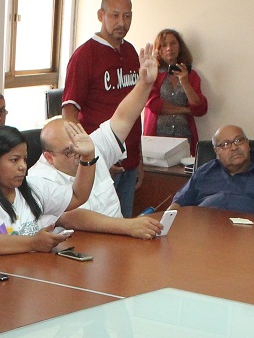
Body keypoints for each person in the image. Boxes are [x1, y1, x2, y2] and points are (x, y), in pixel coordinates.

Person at [29, 43, 163, 238]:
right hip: (78, 256)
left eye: (78, 142)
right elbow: (68, 215)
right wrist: (126, 226)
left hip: (119, 248)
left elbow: (123, 118)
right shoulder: (38, 179)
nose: (79, 153)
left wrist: (144, 84)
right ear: (49, 157)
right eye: (69, 151)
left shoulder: (89, 146)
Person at [62, 0, 143, 218]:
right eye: (115, 15)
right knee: (100, 235)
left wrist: (140, 159)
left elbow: (136, 111)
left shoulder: (130, 52)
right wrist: (88, 159)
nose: (122, 22)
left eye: (127, 16)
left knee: (125, 231)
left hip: (129, 164)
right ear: (101, 15)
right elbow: (69, 113)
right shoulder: (85, 55)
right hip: (99, 163)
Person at [169, 78, 254, 217]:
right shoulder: (204, 172)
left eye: (239, 140)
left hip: (250, 235)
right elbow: (178, 203)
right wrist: (165, 225)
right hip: (206, 233)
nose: (234, 147)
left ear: (247, 143)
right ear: (216, 151)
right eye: (226, 144)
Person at [0, 126, 75, 255]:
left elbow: (78, 196)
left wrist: (87, 159)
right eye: (14, 160)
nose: (23, 166)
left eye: (24, 159)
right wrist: (34, 242)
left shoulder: (30, 186)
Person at [142, 28, 207, 147]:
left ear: (179, 46)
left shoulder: (191, 75)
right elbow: (153, 104)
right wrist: (186, 110)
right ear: (158, 50)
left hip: (184, 138)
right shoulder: (153, 74)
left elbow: (200, 109)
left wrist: (185, 82)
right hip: (156, 137)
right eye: (164, 45)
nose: (169, 48)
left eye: (173, 43)